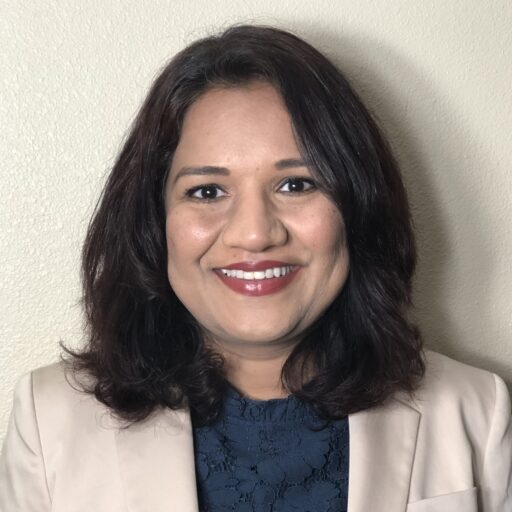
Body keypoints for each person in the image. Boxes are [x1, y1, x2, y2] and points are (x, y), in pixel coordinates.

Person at [0, 24, 510, 512]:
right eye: (207, 191)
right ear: (155, 223)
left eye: (296, 184)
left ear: (357, 206)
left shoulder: (477, 411)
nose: (254, 234)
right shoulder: (49, 420)